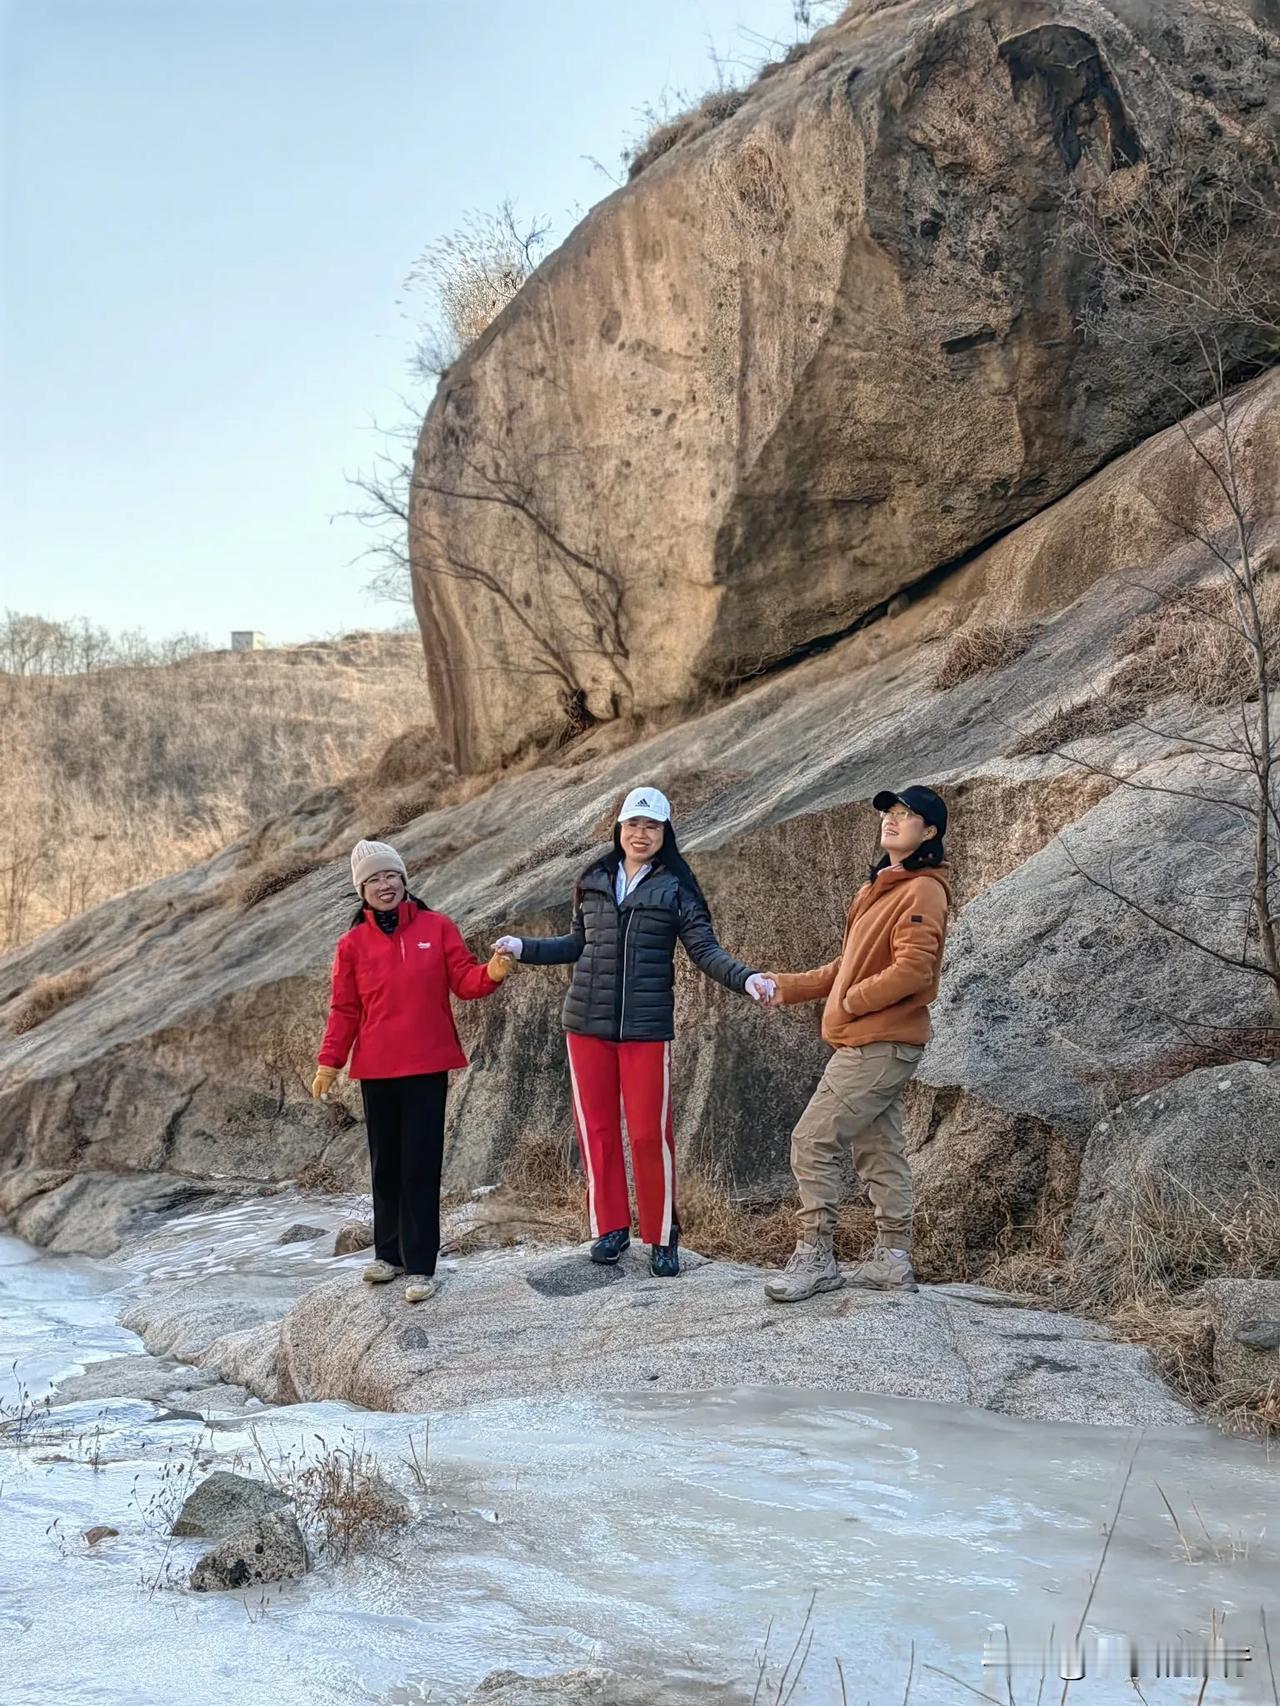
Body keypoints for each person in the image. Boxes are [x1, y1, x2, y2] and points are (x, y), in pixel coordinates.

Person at [493, 786, 774, 1278]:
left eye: (651, 826)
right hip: (585, 1026)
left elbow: (705, 950)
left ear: (665, 833)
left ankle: (662, 1236)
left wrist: (746, 977)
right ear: (618, 829)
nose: (640, 834)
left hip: (645, 1029)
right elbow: (575, 944)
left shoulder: (676, 889)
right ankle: (610, 1228)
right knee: (596, 1132)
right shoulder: (594, 880)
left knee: (648, 1135)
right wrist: (523, 946)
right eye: (632, 825)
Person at [761, 786, 951, 1302]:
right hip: (874, 1040)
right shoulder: (884, 886)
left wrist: (852, 1003)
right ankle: (892, 1260)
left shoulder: (922, 889)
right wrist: (789, 986)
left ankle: (816, 1256)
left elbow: (914, 970)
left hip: (879, 1043)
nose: (893, 820)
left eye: (908, 815)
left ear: (929, 832)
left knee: (812, 1139)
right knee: (878, 1149)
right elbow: (845, 968)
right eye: (890, 813)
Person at [312, 838, 513, 1305]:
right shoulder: (351, 945)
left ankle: (421, 1265)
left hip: (427, 1063)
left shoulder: (437, 927)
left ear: (404, 881)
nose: (385, 885)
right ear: (361, 890)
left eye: (391, 876)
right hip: (377, 1070)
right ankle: (389, 1256)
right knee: (386, 1166)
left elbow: (465, 981)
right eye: (374, 880)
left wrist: (494, 971)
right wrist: (329, 1062)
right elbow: (344, 1009)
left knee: (421, 1165)